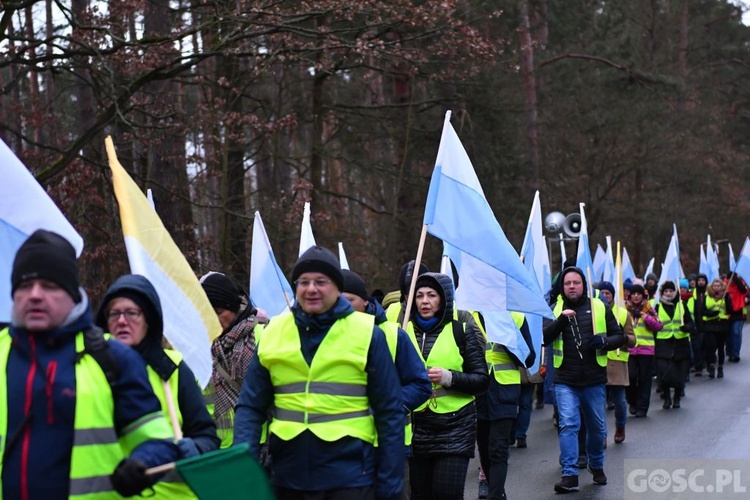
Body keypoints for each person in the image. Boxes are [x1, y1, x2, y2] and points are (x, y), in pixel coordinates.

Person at [1, 229, 179, 499]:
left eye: (49, 286)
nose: (35, 295)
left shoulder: (114, 358)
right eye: (24, 286)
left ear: (73, 294)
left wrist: (142, 464)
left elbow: (159, 442)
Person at [234, 246, 405, 499]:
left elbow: (390, 413)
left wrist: (391, 485)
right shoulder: (273, 332)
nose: (311, 288)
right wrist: (245, 463)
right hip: (287, 476)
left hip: (350, 478)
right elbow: (250, 405)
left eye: (320, 282)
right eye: (304, 281)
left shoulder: (368, 333)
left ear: (337, 288)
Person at [95, 274, 220, 497]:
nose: (122, 321)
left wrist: (196, 448)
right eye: (114, 313)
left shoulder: (172, 369)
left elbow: (207, 435)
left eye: (132, 312)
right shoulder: (88, 369)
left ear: (148, 320)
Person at [403, 272, 488, 500]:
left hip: (455, 427)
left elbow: (481, 380)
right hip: (416, 428)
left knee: (447, 494)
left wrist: (449, 377)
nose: (425, 301)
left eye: (431, 295)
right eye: (419, 295)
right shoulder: (401, 332)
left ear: (444, 299)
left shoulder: (461, 331)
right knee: (420, 495)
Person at [543, 266, 625, 493]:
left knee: (597, 428)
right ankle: (569, 474)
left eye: (576, 282)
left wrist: (605, 342)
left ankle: (596, 465)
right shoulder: (554, 308)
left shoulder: (599, 306)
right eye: (567, 283)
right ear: (562, 287)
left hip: (593, 380)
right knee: (568, 424)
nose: (571, 286)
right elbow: (544, 338)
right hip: (565, 381)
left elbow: (619, 336)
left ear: (583, 285)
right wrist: (560, 320)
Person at [200, 271, 266, 448]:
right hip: (215, 447)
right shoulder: (199, 346)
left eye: (219, 312)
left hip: (258, 444)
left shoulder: (263, 337)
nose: (213, 320)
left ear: (234, 308)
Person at [477, 312, 535, 500]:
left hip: (505, 391)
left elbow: (529, 358)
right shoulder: (468, 315)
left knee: (498, 448)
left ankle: (494, 495)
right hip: (478, 390)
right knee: (484, 446)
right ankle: (498, 491)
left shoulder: (516, 317)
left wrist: (508, 339)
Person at [596, 281, 635, 444]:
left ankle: (620, 426)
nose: (605, 296)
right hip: (599, 361)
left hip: (618, 362)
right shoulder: (594, 312)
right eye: (602, 293)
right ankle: (602, 434)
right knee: (599, 403)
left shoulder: (623, 313)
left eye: (608, 293)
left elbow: (633, 340)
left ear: (613, 295)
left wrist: (623, 337)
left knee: (619, 401)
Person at [653, 281, 693, 409]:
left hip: (680, 344)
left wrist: (686, 327)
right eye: (666, 291)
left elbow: (691, 324)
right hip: (663, 344)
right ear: (662, 293)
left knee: (680, 373)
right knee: (664, 372)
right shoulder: (657, 307)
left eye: (671, 291)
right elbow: (652, 325)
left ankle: (676, 397)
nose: (669, 293)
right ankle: (666, 397)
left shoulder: (682, 305)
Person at [626, 284, 662, 418]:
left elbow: (659, 326)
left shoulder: (649, 309)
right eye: (633, 294)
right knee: (630, 376)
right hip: (630, 349)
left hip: (646, 350)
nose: (636, 296)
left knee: (644, 380)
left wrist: (644, 317)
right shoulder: (625, 310)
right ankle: (632, 401)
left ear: (643, 296)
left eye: (638, 294)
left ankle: (642, 407)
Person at [701, 278, 731, 379]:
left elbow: (730, 310)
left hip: (722, 325)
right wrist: (711, 313)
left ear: (722, 286)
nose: (716, 287)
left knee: (721, 348)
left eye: (718, 286)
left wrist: (726, 299)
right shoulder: (706, 296)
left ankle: (720, 368)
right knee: (711, 347)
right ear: (711, 287)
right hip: (710, 324)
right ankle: (712, 366)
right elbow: (702, 310)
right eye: (715, 286)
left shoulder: (726, 296)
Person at [725, 274, 748, 362]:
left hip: (738, 314)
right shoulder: (724, 286)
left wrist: (736, 278)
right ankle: (729, 352)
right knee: (728, 334)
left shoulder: (740, 286)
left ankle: (735, 353)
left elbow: (744, 290)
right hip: (727, 314)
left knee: (736, 332)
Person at [691, 273, 709, 376]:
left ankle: (707, 362)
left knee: (706, 345)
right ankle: (698, 366)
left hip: (707, 323)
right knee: (697, 346)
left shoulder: (709, 293)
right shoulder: (693, 294)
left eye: (703, 280)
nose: (701, 282)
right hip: (696, 323)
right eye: (699, 280)